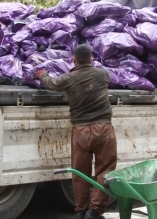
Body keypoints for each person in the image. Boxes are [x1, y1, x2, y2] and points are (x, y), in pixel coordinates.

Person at [35, 45, 117, 219]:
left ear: (74, 60)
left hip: (80, 131)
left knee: (79, 172)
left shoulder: (69, 78)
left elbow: (51, 83)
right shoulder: (102, 75)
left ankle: (80, 211)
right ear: (91, 58)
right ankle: (94, 211)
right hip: (103, 129)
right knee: (106, 170)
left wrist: (42, 75)